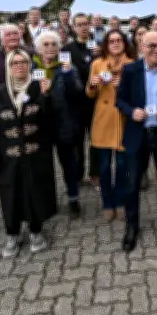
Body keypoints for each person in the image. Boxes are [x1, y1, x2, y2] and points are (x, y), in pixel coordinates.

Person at [0, 49, 58, 257]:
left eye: (23, 62)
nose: (19, 66)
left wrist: (46, 96)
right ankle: (12, 233)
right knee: (10, 192)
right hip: (8, 155)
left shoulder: (37, 88)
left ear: (29, 65)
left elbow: (50, 120)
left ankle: (35, 230)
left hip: (35, 153)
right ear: (8, 67)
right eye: (14, 63)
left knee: (34, 190)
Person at [116, 31, 157, 252]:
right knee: (132, 182)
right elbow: (120, 100)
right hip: (138, 134)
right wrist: (131, 111)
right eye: (151, 46)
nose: (156, 50)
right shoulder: (130, 70)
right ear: (142, 47)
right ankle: (132, 225)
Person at [33, 31, 83, 219]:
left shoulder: (67, 68)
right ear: (38, 49)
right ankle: (47, 202)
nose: (50, 48)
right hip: (40, 125)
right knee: (43, 166)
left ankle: (73, 198)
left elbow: (78, 92)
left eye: (54, 44)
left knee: (69, 163)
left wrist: (69, 73)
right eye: (45, 44)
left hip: (64, 123)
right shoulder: (32, 67)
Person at [86, 29, 134, 221]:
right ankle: (107, 203)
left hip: (124, 121)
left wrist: (122, 84)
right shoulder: (97, 64)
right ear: (106, 44)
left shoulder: (132, 65)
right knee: (104, 167)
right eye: (111, 40)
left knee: (122, 166)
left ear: (124, 43)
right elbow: (90, 94)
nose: (115, 43)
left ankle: (121, 201)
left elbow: (137, 93)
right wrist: (91, 84)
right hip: (104, 120)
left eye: (119, 40)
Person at [62, 13, 101, 188]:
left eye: (86, 24)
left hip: (95, 101)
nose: (84, 27)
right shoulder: (66, 49)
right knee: (77, 141)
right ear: (74, 27)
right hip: (75, 103)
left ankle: (95, 174)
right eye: (80, 24)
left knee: (96, 140)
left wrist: (102, 55)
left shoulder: (98, 48)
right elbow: (63, 74)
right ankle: (78, 175)